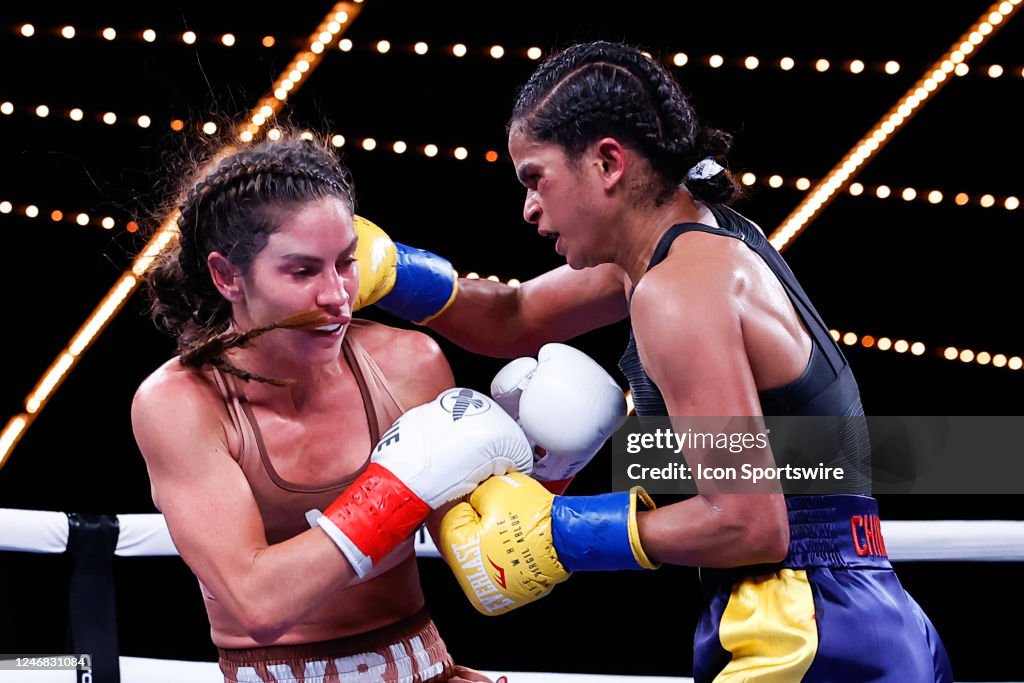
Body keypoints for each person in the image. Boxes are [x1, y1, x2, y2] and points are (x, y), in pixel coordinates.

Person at [357, 41, 954, 682]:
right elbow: (513, 316)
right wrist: (389, 273)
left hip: (804, 628)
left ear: (608, 162)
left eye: (536, 178)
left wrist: (560, 534)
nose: (529, 206)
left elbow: (749, 522)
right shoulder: (693, 246)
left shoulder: (680, 290)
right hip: (850, 614)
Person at [129, 128, 545, 683]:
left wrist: (553, 461)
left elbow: (489, 562)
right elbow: (259, 605)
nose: (336, 295)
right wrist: (397, 487)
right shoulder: (182, 404)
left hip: (420, 662)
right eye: (302, 271)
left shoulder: (409, 363)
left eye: (346, 263)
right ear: (227, 276)